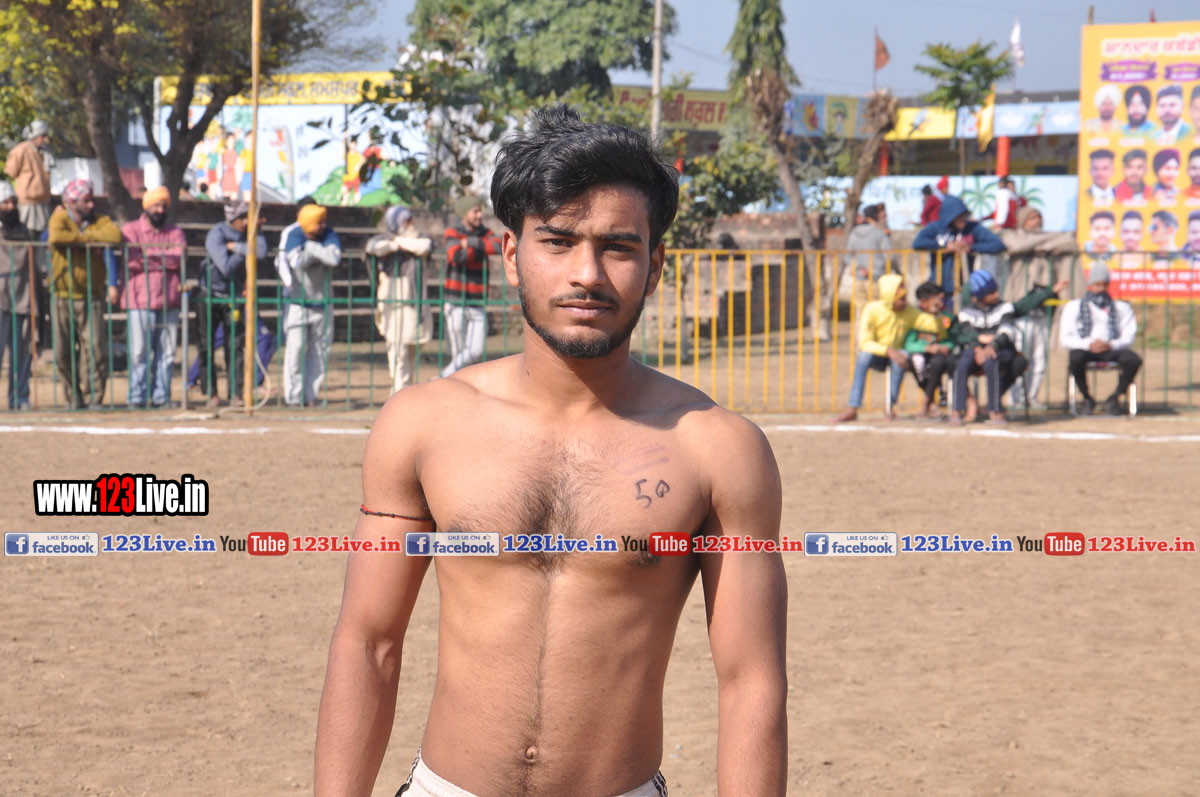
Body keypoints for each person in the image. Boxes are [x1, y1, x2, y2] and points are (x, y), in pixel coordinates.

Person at [314, 105, 788, 797]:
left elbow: (751, 682)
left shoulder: (718, 448)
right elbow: (368, 642)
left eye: (618, 247)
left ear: (655, 265)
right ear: (512, 254)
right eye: (558, 241)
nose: (586, 273)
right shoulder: (423, 424)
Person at [948, 269, 1068, 425]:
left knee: (991, 361)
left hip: (999, 349)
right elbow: (962, 333)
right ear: (981, 296)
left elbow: (1012, 323)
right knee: (963, 362)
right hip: (974, 350)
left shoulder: (1005, 308)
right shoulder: (967, 312)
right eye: (992, 293)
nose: (997, 295)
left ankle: (994, 410)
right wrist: (977, 345)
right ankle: (957, 409)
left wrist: (992, 346)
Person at [47, 179, 122, 408]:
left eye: (91, 200)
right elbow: (57, 237)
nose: (91, 205)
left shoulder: (101, 220)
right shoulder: (59, 218)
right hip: (62, 296)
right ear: (71, 202)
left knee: (95, 350)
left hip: (92, 296)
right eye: (85, 201)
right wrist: (90, 241)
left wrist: (80, 240)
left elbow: (114, 236)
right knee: (63, 352)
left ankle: (93, 397)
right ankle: (73, 397)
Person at [832, 273, 936, 423]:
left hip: (898, 355)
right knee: (864, 357)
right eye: (900, 299)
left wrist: (936, 313)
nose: (904, 302)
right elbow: (865, 342)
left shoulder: (909, 311)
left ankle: (889, 407)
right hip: (877, 354)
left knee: (901, 357)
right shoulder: (872, 309)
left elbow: (931, 325)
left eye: (905, 297)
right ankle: (852, 408)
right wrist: (888, 350)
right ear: (890, 297)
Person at [119, 186, 186, 408]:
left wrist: (149, 255)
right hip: (139, 300)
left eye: (163, 206)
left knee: (167, 353)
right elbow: (133, 260)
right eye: (156, 205)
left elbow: (178, 258)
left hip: (169, 300)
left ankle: (161, 396)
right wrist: (164, 256)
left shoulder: (175, 232)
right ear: (146, 207)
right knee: (139, 352)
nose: (160, 210)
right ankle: (136, 397)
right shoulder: (130, 230)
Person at [198, 200, 266, 407]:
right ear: (234, 219)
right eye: (243, 218)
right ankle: (211, 393)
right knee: (206, 345)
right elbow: (225, 267)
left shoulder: (252, 232)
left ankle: (236, 393)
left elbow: (261, 251)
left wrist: (235, 247)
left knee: (235, 346)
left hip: (234, 297)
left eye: (248, 218)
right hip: (209, 296)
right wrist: (246, 251)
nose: (246, 222)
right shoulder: (216, 233)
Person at [365, 205, 433, 394]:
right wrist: (395, 244)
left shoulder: (418, 239)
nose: (411, 223)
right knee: (398, 352)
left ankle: (405, 393)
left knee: (412, 350)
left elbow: (424, 246)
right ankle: (399, 393)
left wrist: (398, 242)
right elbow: (373, 248)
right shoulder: (383, 240)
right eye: (406, 220)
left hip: (413, 300)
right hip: (392, 301)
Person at [1058, 263, 1140, 415]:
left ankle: (1115, 397)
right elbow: (1065, 338)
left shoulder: (1121, 307)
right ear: (1090, 285)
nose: (1101, 289)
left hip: (1112, 348)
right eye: (1097, 285)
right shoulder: (1074, 307)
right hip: (1086, 348)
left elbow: (1129, 336)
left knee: (1133, 360)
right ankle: (1087, 398)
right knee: (1075, 358)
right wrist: (1089, 344)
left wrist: (1111, 344)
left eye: (1104, 285)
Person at [282, 204, 342, 406]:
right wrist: (318, 252)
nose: (323, 225)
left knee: (319, 352)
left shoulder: (329, 234)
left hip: (323, 303)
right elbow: (296, 262)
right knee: (295, 351)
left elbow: (334, 258)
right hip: (298, 304)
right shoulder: (294, 235)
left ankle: (311, 395)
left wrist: (310, 247)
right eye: (319, 223)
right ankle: (294, 397)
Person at [440, 194, 500, 377]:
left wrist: (471, 244)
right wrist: (481, 249)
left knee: (475, 351)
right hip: (455, 300)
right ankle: (455, 386)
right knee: (459, 353)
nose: (480, 215)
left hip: (477, 300)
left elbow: (498, 246)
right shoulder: (452, 232)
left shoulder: (485, 232)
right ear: (465, 213)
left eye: (480, 211)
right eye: (475, 211)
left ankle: (442, 377)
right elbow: (455, 256)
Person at [912, 194, 1006, 301]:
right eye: (959, 216)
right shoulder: (937, 227)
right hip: (938, 286)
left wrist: (971, 247)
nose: (963, 219)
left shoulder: (972, 228)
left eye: (964, 215)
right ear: (949, 216)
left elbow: (997, 244)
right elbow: (918, 243)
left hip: (962, 287)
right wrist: (945, 246)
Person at [1, 181, 34, 409]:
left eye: (13, 202)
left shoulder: (24, 231)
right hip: (1, 299)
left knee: (21, 353)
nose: (10, 207)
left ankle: (20, 397)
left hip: (23, 297)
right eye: (5, 203)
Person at [903, 281, 958, 418]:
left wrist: (946, 346)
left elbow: (952, 338)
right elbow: (909, 344)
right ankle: (931, 402)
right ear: (924, 301)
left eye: (941, 299)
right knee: (915, 361)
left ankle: (926, 402)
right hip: (922, 354)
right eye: (936, 299)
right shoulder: (915, 317)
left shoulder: (946, 317)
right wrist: (927, 348)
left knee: (939, 362)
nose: (940, 302)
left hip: (940, 356)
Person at [3, 120, 53, 237]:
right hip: (26, 203)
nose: (44, 139)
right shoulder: (20, 150)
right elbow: (10, 173)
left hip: (43, 202)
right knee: (26, 235)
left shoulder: (45, 152)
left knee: (42, 238)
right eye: (42, 136)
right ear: (34, 135)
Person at [845, 203, 897, 307]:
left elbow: (847, 256)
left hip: (858, 278)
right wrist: (896, 271)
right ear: (877, 216)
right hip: (876, 279)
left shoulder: (854, 233)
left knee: (861, 313)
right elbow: (890, 256)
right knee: (877, 312)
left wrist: (859, 268)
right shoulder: (879, 233)